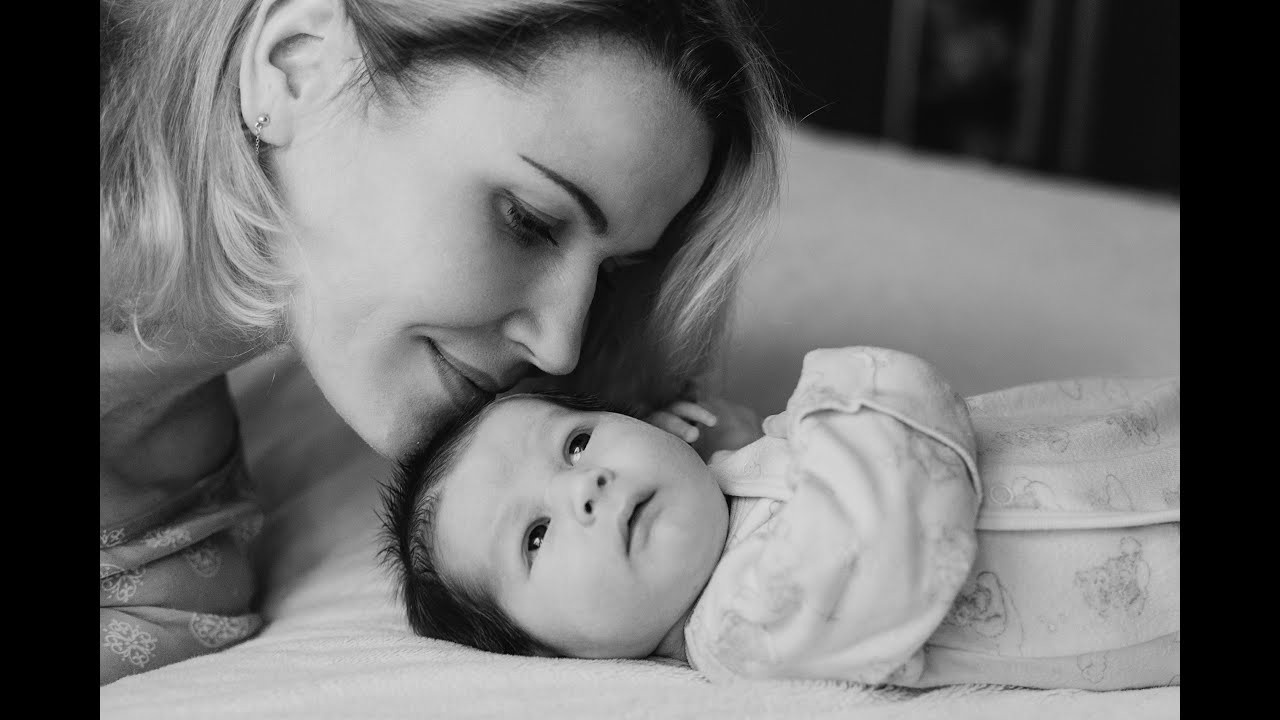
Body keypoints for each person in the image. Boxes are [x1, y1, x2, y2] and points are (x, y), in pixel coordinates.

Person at [100, 0, 784, 685]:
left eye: (609, 276)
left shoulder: (176, 581)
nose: (560, 348)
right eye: (528, 219)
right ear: (298, 67)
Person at [382, 346, 1180, 690]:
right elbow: (884, 530)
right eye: (536, 535)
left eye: (577, 440)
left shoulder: (746, 478)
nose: (582, 487)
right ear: (545, 653)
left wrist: (747, 440)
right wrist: (842, 388)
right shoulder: (740, 628)